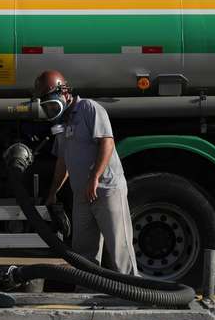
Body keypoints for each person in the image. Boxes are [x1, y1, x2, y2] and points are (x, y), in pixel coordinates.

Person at [35, 70, 139, 276]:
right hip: (82, 194)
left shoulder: (89, 108)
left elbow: (107, 142)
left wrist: (95, 177)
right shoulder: (62, 124)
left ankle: (135, 295)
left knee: (119, 249)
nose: (49, 109)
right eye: (45, 105)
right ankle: (85, 293)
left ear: (64, 92)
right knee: (84, 253)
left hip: (106, 189)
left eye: (51, 102)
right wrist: (53, 192)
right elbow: (63, 161)